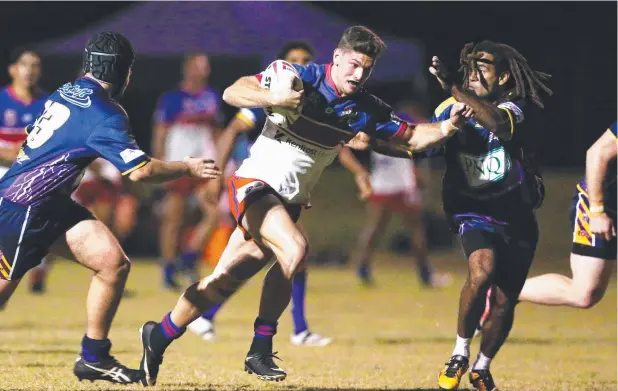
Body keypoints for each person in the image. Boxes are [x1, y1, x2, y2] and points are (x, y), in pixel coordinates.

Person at [138, 25, 470, 387]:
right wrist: (272, 97)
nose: (358, 75)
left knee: (221, 282)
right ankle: (260, 349)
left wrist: (447, 127)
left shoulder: (364, 108)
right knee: (296, 249)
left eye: (367, 70)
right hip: (254, 186)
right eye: (354, 65)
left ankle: (158, 335)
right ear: (338, 57)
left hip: (289, 201)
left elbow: (410, 136)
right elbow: (235, 92)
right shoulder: (300, 78)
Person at [0, 31, 221, 384]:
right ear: (124, 72)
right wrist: (187, 166)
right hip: (25, 207)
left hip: (47, 204)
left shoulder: (66, 90)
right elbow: (142, 171)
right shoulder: (106, 112)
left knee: (112, 263)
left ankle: (94, 357)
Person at [420, 41, 552, 391]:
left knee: (507, 298)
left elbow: (498, 125)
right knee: (482, 272)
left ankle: (482, 366)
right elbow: (422, 143)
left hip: (517, 213)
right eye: (469, 67)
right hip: (473, 211)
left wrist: (454, 87)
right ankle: (460, 352)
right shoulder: (449, 107)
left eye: (484, 67)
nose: (473, 73)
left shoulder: (516, 106)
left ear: (505, 76)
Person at [186, 41, 336, 347]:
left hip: (280, 191)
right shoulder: (274, 99)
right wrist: (216, 175)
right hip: (255, 187)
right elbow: (231, 130)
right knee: (282, 253)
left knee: (266, 257)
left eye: (306, 60)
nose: (301, 65)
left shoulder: (315, 102)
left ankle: (203, 316)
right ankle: (296, 329)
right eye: (294, 61)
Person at [347, 100, 451, 287]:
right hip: (402, 187)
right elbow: (410, 155)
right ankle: (425, 274)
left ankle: (362, 268)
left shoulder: (375, 129)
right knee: (416, 231)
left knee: (373, 230)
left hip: (380, 186)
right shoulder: (401, 130)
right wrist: (418, 179)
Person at [517, 122, 616, 308]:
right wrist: (597, 211)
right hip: (604, 204)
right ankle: (507, 291)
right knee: (584, 293)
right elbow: (597, 153)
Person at [152, 50, 224, 289]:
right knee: (173, 218)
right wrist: (159, 162)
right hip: (179, 162)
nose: (206, 71)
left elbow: (216, 132)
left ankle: (189, 258)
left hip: (204, 162)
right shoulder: (172, 98)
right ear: (188, 68)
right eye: (201, 65)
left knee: (214, 213)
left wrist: (221, 162)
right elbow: (161, 130)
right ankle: (168, 269)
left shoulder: (211, 96)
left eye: (207, 66)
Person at [0, 48, 51, 295]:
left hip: (34, 175)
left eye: (35, 65)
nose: (29, 70)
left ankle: (38, 275)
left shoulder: (48, 104)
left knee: (45, 218)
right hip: (3, 171)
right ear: (12, 70)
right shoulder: (1, 102)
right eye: (24, 64)